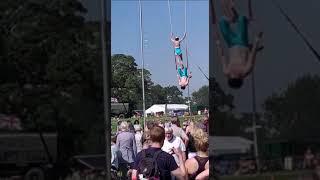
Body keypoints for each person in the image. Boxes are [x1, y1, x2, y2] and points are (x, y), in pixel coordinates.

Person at [213, 0, 263, 89]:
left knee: (222, 22)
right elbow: (252, 55)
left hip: (231, 43)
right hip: (242, 42)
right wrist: (257, 40)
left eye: (231, 75)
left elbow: (222, 56)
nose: (233, 73)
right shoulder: (246, 70)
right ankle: (239, 19)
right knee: (242, 19)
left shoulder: (226, 71)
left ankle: (232, 18)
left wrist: (218, 42)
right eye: (236, 75)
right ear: (240, 78)